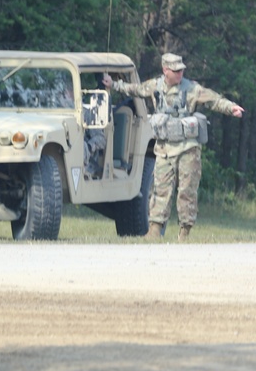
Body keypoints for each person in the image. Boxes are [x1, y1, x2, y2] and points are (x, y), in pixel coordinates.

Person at [103, 52, 244, 241]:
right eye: (176, 71)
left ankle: (184, 232)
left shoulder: (192, 88)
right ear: (165, 70)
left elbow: (214, 100)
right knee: (160, 189)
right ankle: (154, 230)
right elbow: (135, 89)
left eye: (181, 70)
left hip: (188, 149)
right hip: (164, 149)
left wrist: (231, 108)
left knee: (187, 191)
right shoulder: (155, 86)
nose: (179, 74)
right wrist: (113, 84)